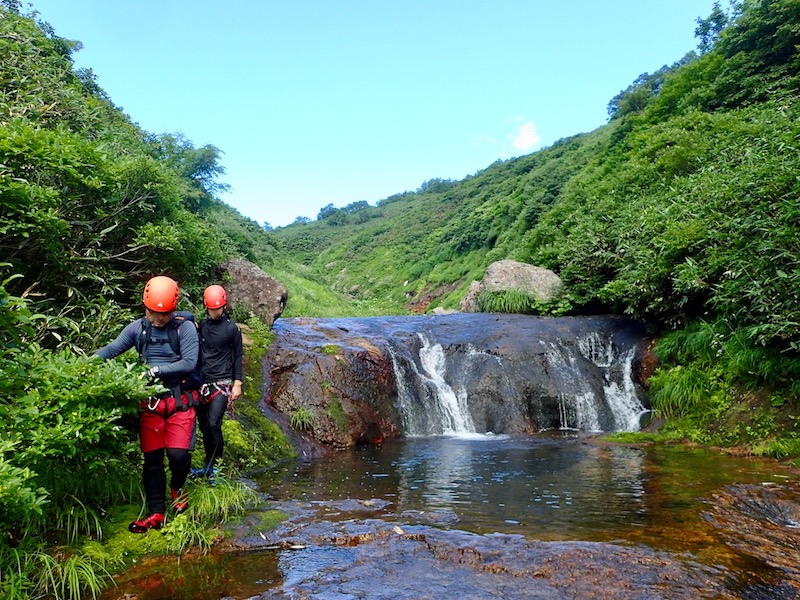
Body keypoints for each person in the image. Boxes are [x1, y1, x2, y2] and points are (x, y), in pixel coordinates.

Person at [95, 275, 199, 533]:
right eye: (154, 312)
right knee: (152, 458)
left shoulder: (184, 328)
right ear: (146, 307)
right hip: (150, 403)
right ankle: (156, 512)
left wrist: (155, 371)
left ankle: (177, 488)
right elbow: (111, 350)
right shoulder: (137, 329)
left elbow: (189, 362)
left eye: (165, 313)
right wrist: (83, 365)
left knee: (178, 455)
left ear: (173, 309)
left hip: (179, 400)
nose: (159, 318)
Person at [192, 284, 243, 483]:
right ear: (207, 307)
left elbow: (238, 356)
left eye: (218, 308)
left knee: (214, 424)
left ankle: (216, 469)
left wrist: (237, 383)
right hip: (203, 382)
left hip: (221, 383)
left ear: (224, 306)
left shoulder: (232, 329)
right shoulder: (202, 326)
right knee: (205, 426)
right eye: (212, 309)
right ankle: (208, 465)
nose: (215, 312)